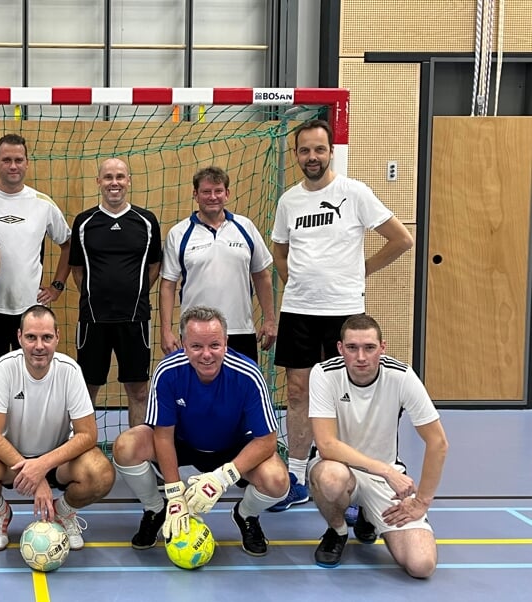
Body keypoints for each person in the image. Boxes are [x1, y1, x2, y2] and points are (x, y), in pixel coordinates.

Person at [269, 119, 414, 512]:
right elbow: (280, 250)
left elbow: (402, 239)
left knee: (346, 398)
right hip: (298, 311)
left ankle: (351, 480)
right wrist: (293, 279)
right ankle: (297, 476)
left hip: (343, 312)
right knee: (297, 393)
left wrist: (361, 270)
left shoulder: (355, 193)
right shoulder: (289, 201)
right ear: (296, 154)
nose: (312, 157)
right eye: (304, 150)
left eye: (319, 149)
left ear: (331, 151)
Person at [112, 306, 289, 557]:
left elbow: (267, 441)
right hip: (184, 443)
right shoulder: (168, 371)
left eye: (215, 345)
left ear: (226, 343)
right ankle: (155, 508)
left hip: (234, 448)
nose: (206, 355)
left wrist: (223, 478)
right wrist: (175, 495)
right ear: (184, 345)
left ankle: (246, 515)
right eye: (196, 346)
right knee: (126, 446)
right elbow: (162, 435)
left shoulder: (248, 374)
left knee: (277, 480)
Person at [0, 305, 115, 551]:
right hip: (11, 461)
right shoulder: (5, 367)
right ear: (19, 337)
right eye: (31, 337)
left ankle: (63, 512)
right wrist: (32, 473)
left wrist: (42, 467)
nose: (39, 346)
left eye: (46, 337)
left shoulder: (70, 371)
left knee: (101, 473)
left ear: (57, 337)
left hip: (58, 461)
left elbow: (88, 435)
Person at [309, 314, 447, 577]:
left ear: (382, 348)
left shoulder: (401, 376)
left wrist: (422, 501)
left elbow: (438, 442)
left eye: (369, 348)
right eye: (352, 348)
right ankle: (337, 530)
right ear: (340, 349)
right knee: (331, 478)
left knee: (421, 565)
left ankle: (367, 516)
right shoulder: (324, 374)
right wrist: (386, 470)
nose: (361, 357)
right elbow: (326, 444)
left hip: (384, 481)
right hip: (341, 468)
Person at [69, 158, 161, 428]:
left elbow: (155, 265)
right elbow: (77, 268)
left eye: (120, 176)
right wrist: (94, 296)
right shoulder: (84, 222)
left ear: (129, 181)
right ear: (98, 182)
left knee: (139, 391)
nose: (114, 183)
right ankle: (82, 452)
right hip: (93, 320)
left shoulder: (146, 221)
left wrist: (138, 293)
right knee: (86, 390)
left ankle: (137, 455)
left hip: (134, 320)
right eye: (108, 177)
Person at [0, 133, 72, 358]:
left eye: (18, 160)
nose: (13, 166)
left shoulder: (43, 204)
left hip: (29, 312)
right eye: (6, 160)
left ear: (27, 163)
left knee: (29, 378)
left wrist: (57, 286)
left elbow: (68, 244)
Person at [159, 166, 276, 364]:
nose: (212, 197)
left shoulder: (245, 227)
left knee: (241, 393)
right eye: (206, 192)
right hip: (195, 333)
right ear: (195, 194)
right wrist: (166, 331)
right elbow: (168, 285)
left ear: (227, 194)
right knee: (196, 392)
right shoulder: (178, 233)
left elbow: (262, 275)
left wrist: (271, 320)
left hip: (240, 331)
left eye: (218, 191)